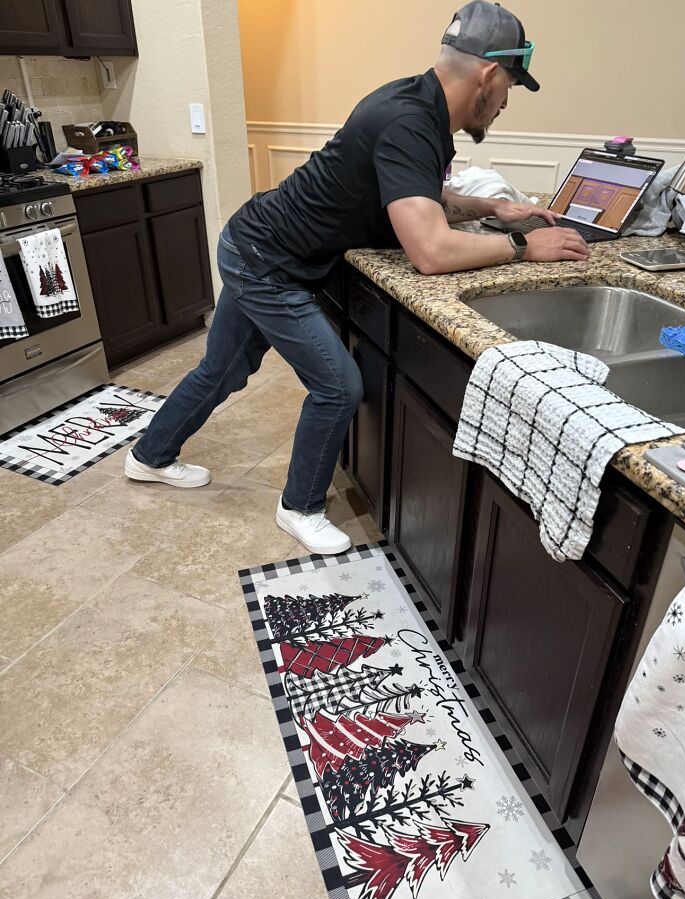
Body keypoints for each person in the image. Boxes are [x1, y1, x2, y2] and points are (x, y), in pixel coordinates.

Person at [124, 0, 589, 555]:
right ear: (488, 74)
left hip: (257, 242)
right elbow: (431, 252)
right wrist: (521, 246)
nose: (504, 104)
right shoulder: (411, 120)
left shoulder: (418, 104)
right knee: (337, 384)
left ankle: (147, 456)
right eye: (509, 88)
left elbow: (418, 191)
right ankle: (299, 507)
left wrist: (491, 208)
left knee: (223, 369)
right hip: (266, 261)